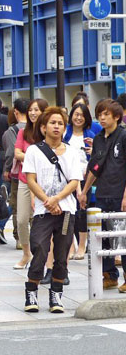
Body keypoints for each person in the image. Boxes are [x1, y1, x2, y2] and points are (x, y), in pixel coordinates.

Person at [23, 107, 81, 313]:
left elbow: (75, 181)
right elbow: (30, 179)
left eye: (61, 124)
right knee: (39, 247)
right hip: (42, 209)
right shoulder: (33, 151)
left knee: (62, 252)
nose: (57, 127)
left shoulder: (72, 152)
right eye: (53, 123)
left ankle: (56, 296)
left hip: (66, 210)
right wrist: (48, 200)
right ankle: (31, 291)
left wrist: (57, 198)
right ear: (43, 127)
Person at [79, 99, 126, 291]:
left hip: (119, 194)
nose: (102, 117)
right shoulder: (98, 138)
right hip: (102, 194)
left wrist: (125, 196)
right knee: (103, 237)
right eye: (100, 114)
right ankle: (109, 275)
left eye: (106, 114)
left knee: (122, 237)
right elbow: (94, 167)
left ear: (117, 116)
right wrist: (84, 192)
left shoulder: (123, 136)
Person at [13, 99, 48, 270]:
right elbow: (17, 153)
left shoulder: (47, 132)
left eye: (37, 110)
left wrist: (27, 155)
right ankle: (26, 253)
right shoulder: (22, 132)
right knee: (21, 220)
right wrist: (33, 156)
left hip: (44, 182)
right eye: (31, 110)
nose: (33, 113)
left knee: (40, 220)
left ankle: (40, 256)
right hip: (25, 180)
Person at [64, 103, 97, 261]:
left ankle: (82, 246)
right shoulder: (65, 134)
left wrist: (93, 151)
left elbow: (97, 160)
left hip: (85, 178)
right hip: (67, 177)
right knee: (68, 212)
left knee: (82, 211)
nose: (78, 118)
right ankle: (70, 246)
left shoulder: (91, 135)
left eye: (81, 115)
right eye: (75, 114)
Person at [1, 98, 29, 247]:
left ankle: (20, 238)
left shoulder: (12, 131)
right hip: (36, 173)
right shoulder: (37, 128)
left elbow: (11, 153)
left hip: (19, 174)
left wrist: (6, 169)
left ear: (16, 112)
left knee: (18, 206)